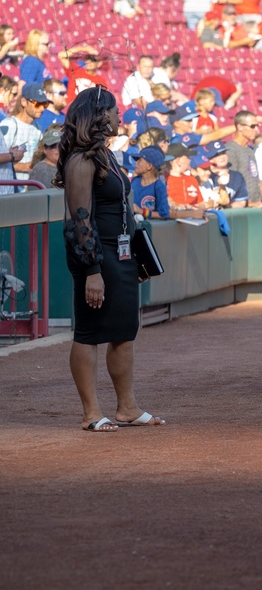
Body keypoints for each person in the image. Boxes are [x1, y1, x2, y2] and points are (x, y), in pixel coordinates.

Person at [53, 86, 165, 432]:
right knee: (89, 333)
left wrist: (134, 257)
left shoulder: (105, 154)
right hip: (96, 258)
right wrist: (92, 271)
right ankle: (90, 413)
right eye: (115, 111)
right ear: (99, 115)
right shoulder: (81, 160)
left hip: (121, 256)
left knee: (123, 331)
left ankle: (127, 407)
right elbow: (80, 220)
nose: (120, 117)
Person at [1, 83, 48, 183]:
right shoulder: (10, 124)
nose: (42, 108)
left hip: (29, 186)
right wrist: (25, 166)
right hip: (10, 187)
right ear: (23, 102)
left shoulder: (38, 129)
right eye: (37, 104)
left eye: (45, 104)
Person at [224, 110, 262, 204]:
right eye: (252, 126)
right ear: (240, 127)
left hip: (257, 204)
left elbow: (253, 177)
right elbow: (231, 183)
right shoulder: (231, 150)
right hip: (242, 207)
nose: (256, 129)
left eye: (257, 126)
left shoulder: (250, 149)